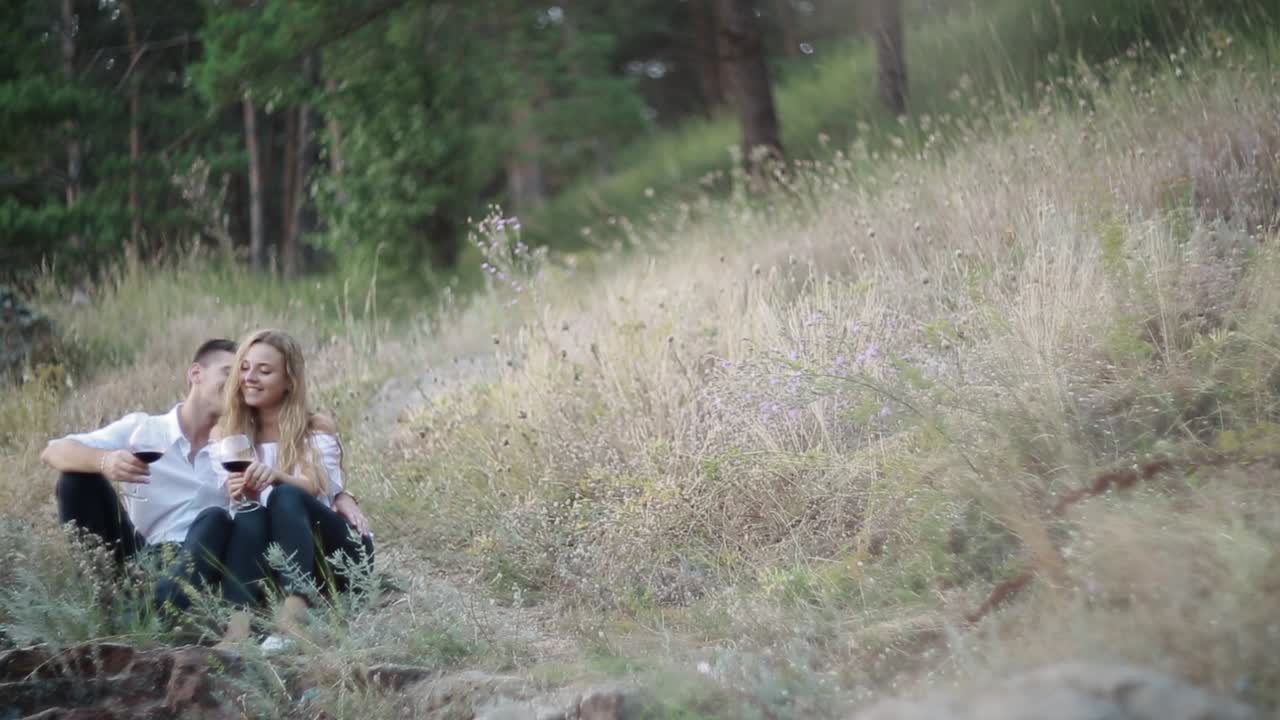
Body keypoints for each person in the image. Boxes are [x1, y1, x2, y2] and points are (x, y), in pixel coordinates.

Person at [40, 338, 239, 611]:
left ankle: (150, 613)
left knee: (215, 518)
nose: (235, 384)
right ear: (196, 373)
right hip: (142, 556)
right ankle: (106, 595)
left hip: (202, 562)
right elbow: (54, 450)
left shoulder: (238, 448)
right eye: (228, 372)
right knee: (75, 479)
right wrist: (105, 461)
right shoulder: (144, 429)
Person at [215, 328, 371, 642]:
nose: (250, 377)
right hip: (274, 559)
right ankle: (237, 629)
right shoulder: (228, 433)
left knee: (286, 495)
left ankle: (294, 617)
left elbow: (320, 488)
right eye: (244, 368)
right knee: (247, 512)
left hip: (335, 554)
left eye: (264, 370)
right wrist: (238, 494)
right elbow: (222, 504)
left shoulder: (315, 427)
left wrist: (276, 476)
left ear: (289, 382)